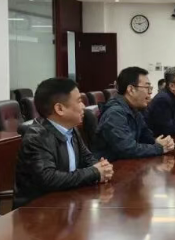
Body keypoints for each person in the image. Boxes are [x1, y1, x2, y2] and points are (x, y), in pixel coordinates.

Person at [14, 78, 114, 207]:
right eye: (79, 101)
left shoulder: (71, 129)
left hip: (66, 203)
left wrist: (102, 168)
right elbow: (49, 178)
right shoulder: (36, 137)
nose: (83, 106)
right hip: (37, 211)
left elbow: (87, 158)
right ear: (60, 109)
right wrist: (94, 172)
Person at [93, 66, 175, 161]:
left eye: (150, 88)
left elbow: (145, 135)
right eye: (147, 87)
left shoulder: (134, 109)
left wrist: (158, 142)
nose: (150, 92)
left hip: (126, 163)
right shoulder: (114, 113)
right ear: (131, 90)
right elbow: (127, 148)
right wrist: (159, 148)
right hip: (112, 166)